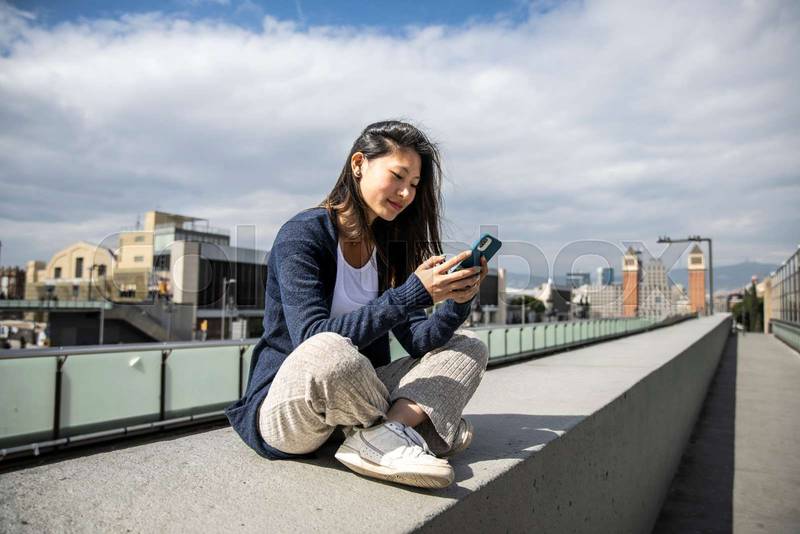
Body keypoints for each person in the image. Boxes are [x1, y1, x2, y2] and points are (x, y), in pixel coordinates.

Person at [226, 120, 489, 489]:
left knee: (469, 345)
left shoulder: (387, 250)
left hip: (357, 396)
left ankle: (383, 434)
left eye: (414, 185)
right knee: (329, 350)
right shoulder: (303, 235)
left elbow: (418, 340)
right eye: (397, 176)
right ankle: (412, 428)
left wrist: (457, 299)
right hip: (291, 403)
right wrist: (413, 292)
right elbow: (310, 337)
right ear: (359, 164)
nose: (406, 193)